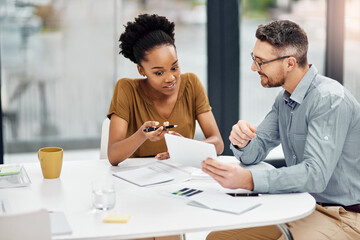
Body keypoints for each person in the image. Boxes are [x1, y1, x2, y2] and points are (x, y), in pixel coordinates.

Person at [202, 20, 360, 239]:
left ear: (290, 63)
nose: (253, 68)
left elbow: (315, 175)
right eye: (254, 59)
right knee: (218, 237)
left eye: (261, 62)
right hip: (299, 203)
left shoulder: (329, 99)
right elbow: (253, 153)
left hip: (344, 215)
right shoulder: (284, 99)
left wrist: (248, 180)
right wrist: (242, 141)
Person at [107, 14, 224, 167]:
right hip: (138, 178)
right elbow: (113, 156)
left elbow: (218, 143)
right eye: (159, 73)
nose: (171, 78)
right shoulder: (127, 89)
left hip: (180, 176)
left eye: (174, 68)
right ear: (141, 70)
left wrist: (185, 148)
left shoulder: (191, 84)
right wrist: (142, 135)